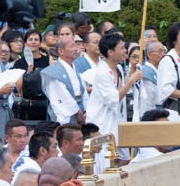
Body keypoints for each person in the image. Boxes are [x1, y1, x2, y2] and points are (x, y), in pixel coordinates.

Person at [86, 33, 141, 163]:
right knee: (103, 163)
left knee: (125, 159)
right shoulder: (102, 72)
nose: (125, 51)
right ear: (110, 52)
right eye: (121, 48)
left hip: (116, 121)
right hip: (102, 123)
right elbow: (114, 99)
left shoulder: (119, 69)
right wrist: (131, 81)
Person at [40, 39, 85, 124]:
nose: (76, 49)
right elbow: (61, 96)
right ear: (61, 51)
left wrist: (85, 110)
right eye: (72, 46)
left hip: (81, 109)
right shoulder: (54, 72)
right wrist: (78, 112)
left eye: (76, 46)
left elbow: (83, 92)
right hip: (66, 113)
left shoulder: (76, 68)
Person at [133, 40, 164, 121]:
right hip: (151, 116)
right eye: (160, 51)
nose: (163, 54)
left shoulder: (159, 70)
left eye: (164, 51)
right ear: (149, 54)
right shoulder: (146, 72)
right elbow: (146, 102)